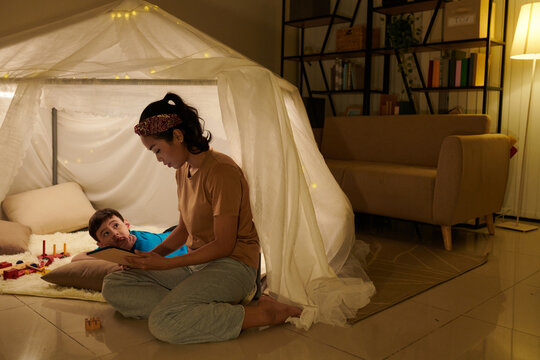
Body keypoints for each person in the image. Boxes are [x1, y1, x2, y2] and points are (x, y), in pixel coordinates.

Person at [101, 92, 302, 344]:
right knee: (114, 283)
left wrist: (166, 265)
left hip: (234, 266)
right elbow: (183, 231)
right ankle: (191, 307)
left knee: (163, 324)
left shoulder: (221, 171)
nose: (158, 159)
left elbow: (224, 245)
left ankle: (264, 312)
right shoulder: (183, 170)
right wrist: (151, 258)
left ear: (177, 136)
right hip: (196, 267)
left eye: (157, 149)